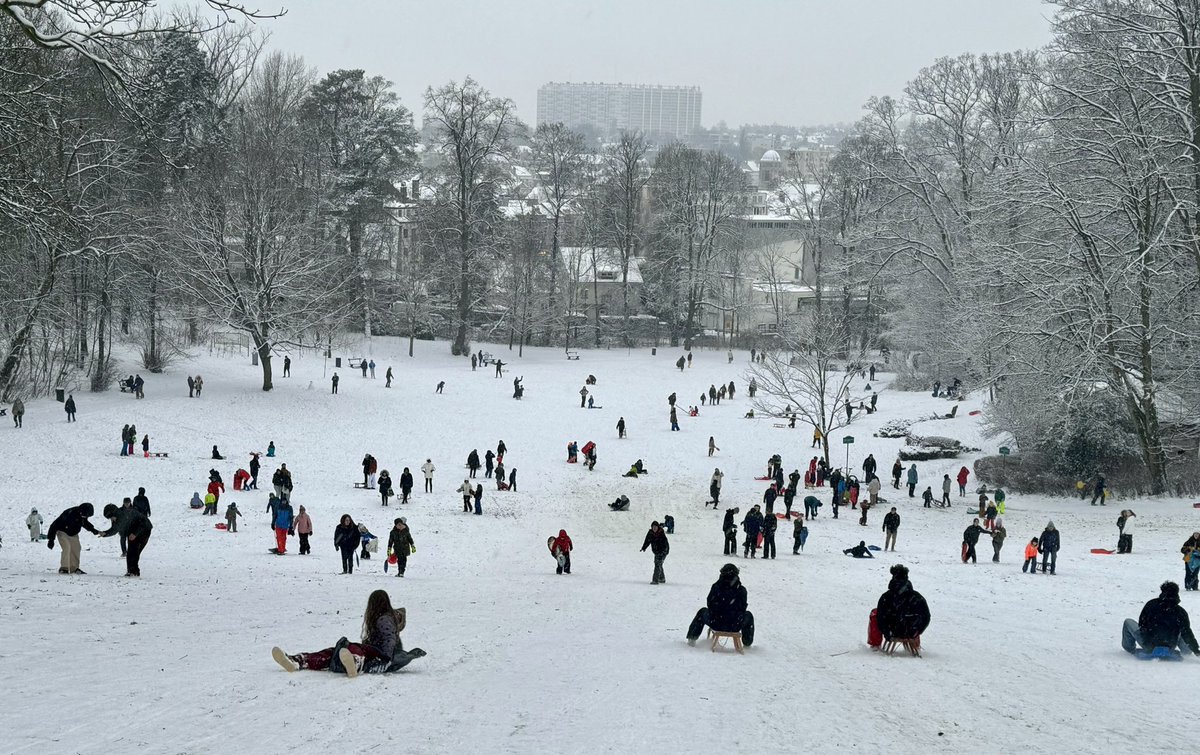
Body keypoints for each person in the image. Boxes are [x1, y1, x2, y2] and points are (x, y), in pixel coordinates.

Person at [272, 590, 426, 677]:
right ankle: (299, 660)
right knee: (334, 653)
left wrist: (385, 658)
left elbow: (389, 639)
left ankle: (355, 661)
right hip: (376, 652)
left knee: (353, 647)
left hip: (380, 654)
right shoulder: (385, 618)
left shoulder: (384, 618)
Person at [1121, 582, 1199, 658]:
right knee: (1183, 629)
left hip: (1148, 645)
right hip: (1170, 645)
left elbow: (1142, 624)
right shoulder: (1180, 612)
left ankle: (1129, 648)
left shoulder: (1151, 604)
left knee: (1128, 622)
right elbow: (1187, 633)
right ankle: (1187, 651)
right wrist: (1197, 651)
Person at [686, 563, 755, 647]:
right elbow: (743, 607)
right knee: (749, 615)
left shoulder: (716, 587)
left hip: (716, 623)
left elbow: (709, 603)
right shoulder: (741, 590)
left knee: (702, 612)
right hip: (735, 624)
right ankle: (747, 642)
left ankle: (692, 638)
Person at [875, 564, 931, 649]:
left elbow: (880, 617)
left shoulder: (886, 597)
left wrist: (887, 632)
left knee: (875, 613)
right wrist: (917, 631)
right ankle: (916, 643)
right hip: (911, 631)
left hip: (892, 630)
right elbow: (926, 616)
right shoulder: (917, 597)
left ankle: (875, 644)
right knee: (915, 614)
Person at [98, 502, 153, 577]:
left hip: (144, 530)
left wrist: (135, 533)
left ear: (114, 513)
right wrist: (105, 533)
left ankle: (134, 571)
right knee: (131, 551)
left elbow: (143, 523)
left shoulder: (126, 514)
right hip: (132, 531)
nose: (112, 519)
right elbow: (115, 529)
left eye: (111, 517)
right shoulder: (116, 517)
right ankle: (131, 571)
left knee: (134, 551)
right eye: (110, 518)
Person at [46, 503, 98, 574]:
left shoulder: (82, 515)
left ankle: (74, 568)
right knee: (67, 547)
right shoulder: (68, 513)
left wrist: (93, 530)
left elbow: (84, 523)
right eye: (85, 516)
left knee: (76, 548)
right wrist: (51, 539)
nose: (85, 517)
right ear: (81, 511)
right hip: (62, 531)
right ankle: (64, 568)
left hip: (73, 533)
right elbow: (54, 525)